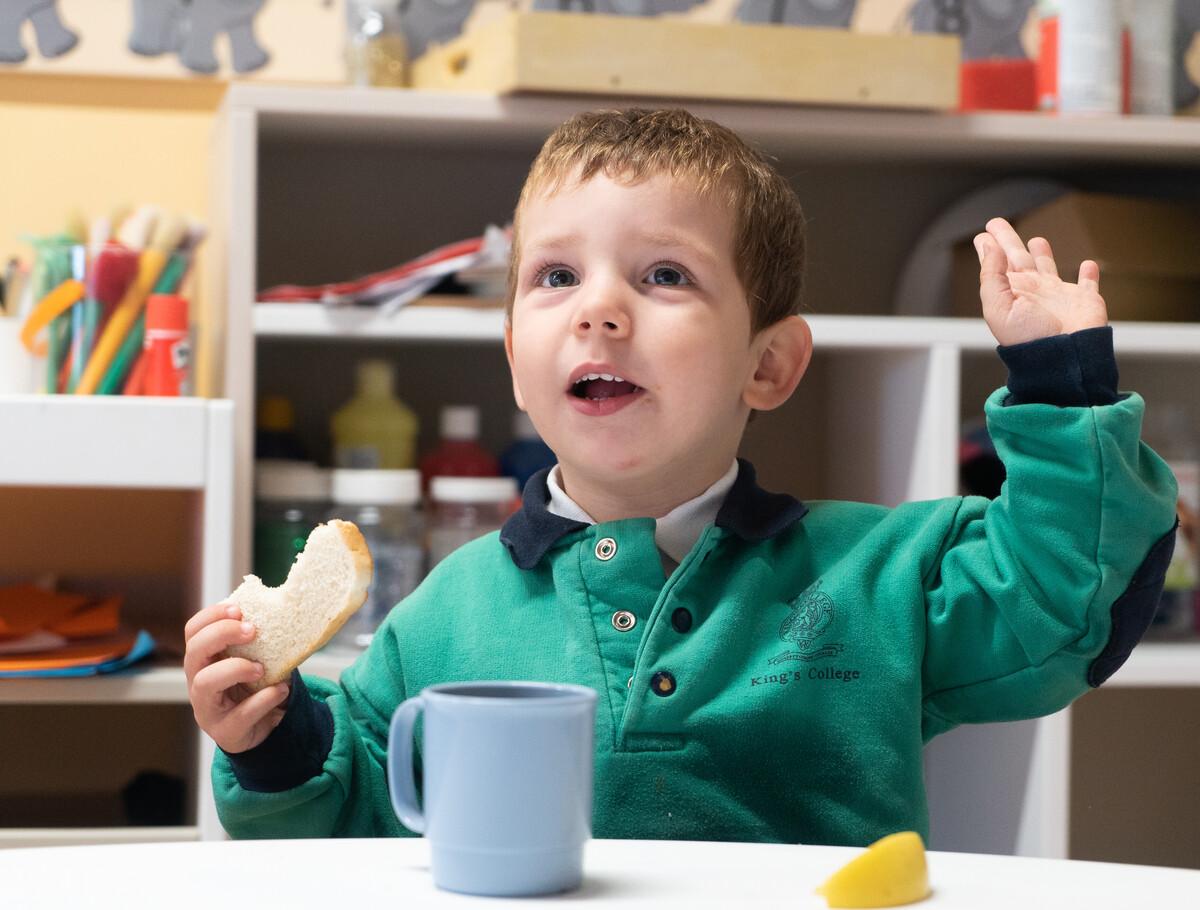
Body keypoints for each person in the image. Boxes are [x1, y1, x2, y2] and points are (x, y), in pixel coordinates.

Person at [186, 108, 1178, 845]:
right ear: (513, 356)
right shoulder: (440, 616)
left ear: (770, 364)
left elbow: (1067, 595)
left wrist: (1060, 382)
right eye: (556, 276)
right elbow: (342, 823)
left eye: (664, 275)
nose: (600, 310)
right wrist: (269, 737)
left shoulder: (883, 577)